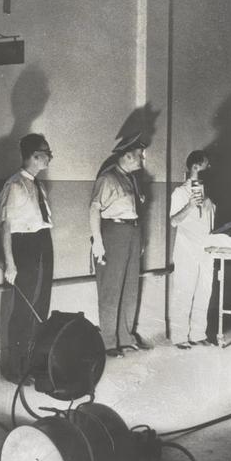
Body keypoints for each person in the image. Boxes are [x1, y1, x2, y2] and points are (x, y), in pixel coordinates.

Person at [90, 133, 153, 357]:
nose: (141, 160)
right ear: (126, 156)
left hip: (132, 232)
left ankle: (125, 337)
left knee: (130, 287)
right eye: (137, 156)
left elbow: (137, 209)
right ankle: (108, 342)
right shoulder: (107, 179)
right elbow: (94, 209)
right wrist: (98, 242)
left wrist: (141, 238)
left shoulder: (131, 179)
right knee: (111, 288)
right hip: (113, 233)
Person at [0, 133, 54, 382]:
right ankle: (15, 368)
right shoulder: (14, 185)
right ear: (34, 156)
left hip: (43, 242)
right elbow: (5, 226)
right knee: (24, 308)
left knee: (40, 305)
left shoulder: (37, 185)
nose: (50, 157)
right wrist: (10, 262)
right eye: (46, 152)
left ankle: (33, 364)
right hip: (25, 247)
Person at [169, 151, 216, 349]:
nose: (208, 170)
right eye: (205, 166)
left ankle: (198, 334)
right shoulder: (180, 193)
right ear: (194, 167)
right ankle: (179, 337)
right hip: (186, 249)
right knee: (184, 292)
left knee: (204, 292)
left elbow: (210, 224)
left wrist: (208, 202)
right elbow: (174, 221)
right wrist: (190, 205)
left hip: (206, 249)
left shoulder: (208, 194)